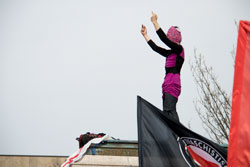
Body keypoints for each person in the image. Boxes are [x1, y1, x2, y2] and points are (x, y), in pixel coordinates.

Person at [141, 12, 184, 122]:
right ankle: (169, 133)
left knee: (169, 109)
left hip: (173, 82)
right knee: (166, 112)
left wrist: (155, 22)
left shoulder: (179, 50)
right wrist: (145, 35)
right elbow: (156, 48)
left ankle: (177, 134)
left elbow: (164, 39)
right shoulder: (170, 53)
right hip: (167, 83)